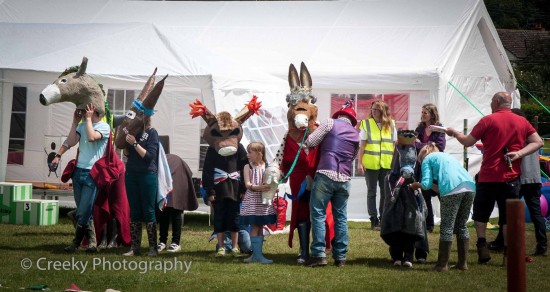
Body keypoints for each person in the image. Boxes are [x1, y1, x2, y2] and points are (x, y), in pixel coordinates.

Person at [445, 91, 543, 264]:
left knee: (481, 212)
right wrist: (519, 153)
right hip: (511, 177)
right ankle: (507, 252)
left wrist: (454, 133)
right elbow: (538, 142)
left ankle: (482, 243)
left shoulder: (488, 120)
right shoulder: (522, 121)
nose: (491, 104)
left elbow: (467, 141)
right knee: (507, 216)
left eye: (491, 101)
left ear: (497, 102)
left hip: (489, 175)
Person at [305, 100, 360, 267]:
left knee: (318, 214)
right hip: (344, 178)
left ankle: (319, 255)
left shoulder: (329, 122)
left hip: (325, 173)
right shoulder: (356, 134)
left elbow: (311, 142)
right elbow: (353, 157)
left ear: (339, 115)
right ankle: (340, 257)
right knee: (341, 217)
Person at [488, 108, 548, 257]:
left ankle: (502, 243)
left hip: (518, 178)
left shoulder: (517, 133)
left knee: (506, 212)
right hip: (534, 178)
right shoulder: (533, 134)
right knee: (536, 214)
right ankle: (542, 246)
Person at [52, 104, 110, 253]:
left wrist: (88, 120)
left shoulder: (104, 127)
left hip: (93, 174)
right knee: (86, 211)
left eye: (85, 110)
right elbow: (70, 142)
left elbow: (91, 137)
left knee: (83, 211)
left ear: (92, 110)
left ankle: (75, 242)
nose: (82, 112)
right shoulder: (83, 125)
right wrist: (74, 122)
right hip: (78, 172)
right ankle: (92, 243)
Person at [409, 143, 475, 271]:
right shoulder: (446, 156)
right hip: (470, 187)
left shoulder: (427, 159)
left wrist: (415, 185)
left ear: (422, 156)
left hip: (453, 190)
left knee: (447, 227)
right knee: (461, 226)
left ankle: (442, 265)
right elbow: (439, 187)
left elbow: (426, 184)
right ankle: (463, 264)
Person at [122, 114, 160, 257]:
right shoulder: (133, 133)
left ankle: (152, 248)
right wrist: (125, 144)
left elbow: (149, 156)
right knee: (135, 211)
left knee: (149, 211)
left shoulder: (152, 133)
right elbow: (127, 154)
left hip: (147, 175)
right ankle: (135, 248)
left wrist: (135, 144)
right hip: (131, 174)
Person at [413, 103, 446, 262]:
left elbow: (439, 146)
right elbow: (414, 143)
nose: (423, 114)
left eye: (425, 112)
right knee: (425, 198)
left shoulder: (439, 128)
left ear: (432, 114)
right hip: (422, 166)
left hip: (435, 167)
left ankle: (448, 224)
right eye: (422, 112)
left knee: (442, 197)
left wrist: (422, 144)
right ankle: (429, 224)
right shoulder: (419, 128)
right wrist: (424, 144)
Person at [357, 100, 396, 230]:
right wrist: (360, 162)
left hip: (387, 163)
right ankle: (373, 220)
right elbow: (361, 146)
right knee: (371, 192)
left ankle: (383, 219)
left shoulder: (391, 124)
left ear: (383, 111)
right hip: (371, 164)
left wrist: (395, 163)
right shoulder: (366, 124)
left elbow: (394, 146)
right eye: (372, 109)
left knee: (385, 193)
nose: (374, 111)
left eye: (377, 110)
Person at [240, 142, 277, 263]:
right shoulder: (248, 167)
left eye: (250, 152)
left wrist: (273, 187)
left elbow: (272, 183)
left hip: (264, 201)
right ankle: (256, 255)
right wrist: (261, 187)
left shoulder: (267, 166)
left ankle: (257, 254)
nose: (247, 155)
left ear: (259, 153)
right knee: (255, 225)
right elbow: (248, 185)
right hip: (253, 201)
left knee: (260, 226)